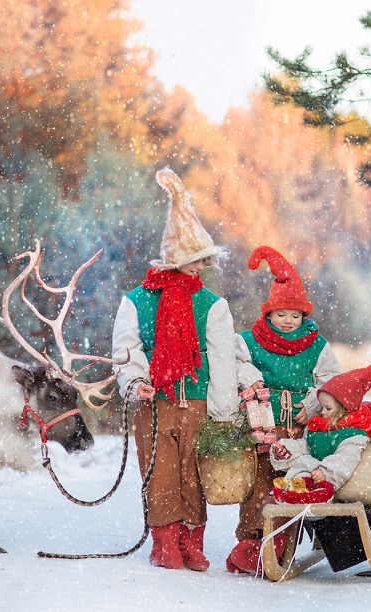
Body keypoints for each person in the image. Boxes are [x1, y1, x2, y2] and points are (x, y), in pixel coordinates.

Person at [111, 168, 238, 572]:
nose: (200, 268)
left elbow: (220, 359)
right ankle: (165, 539)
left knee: (194, 472)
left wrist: (223, 408)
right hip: (155, 402)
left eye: (204, 261)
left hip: (198, 401)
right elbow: (127, 348)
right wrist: (135, 381)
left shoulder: (212, 305)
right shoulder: (137, 301)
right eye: (193, 261)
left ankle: (191, 539)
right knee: (159, 470)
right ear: (175, 260)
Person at [227, 246, 341, 572]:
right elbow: (231, 363)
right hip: (263, 425)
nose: (288, 322)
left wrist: (312, 402)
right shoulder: (249, 340)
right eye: (281, 315)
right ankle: (251, 546)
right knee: (261, 486)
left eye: (295, 315)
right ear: (268, 315)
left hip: (301, 428)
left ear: (304, 316)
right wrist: (253, 379)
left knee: (294, 483)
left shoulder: (316, 345)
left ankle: (283, 543)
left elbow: (331, 380)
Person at [228, 352, 371, 575]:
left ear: (346, 408)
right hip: (307, 483)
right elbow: (305, 448)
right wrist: (286, 449)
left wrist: (325, 472)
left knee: (282, 504)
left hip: (330, 488)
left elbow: (344, 461)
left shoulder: (354, 436)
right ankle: (261, 550)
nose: (322, 412)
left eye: (328, 409)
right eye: (322, 407)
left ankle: (269, 554)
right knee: (271, 501)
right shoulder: (320, 428)